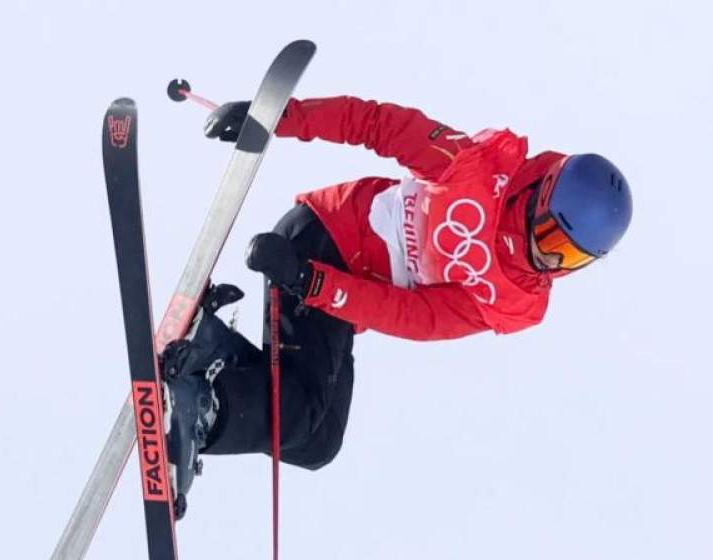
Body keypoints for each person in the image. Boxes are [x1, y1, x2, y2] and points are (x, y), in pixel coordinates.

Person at [161, 95, 633, 510]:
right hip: (324, 238)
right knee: (299, 415)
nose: (548, 258)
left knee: (319, 443)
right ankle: (197, 404)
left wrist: (314, 284)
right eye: (551, 236)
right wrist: (279, 118)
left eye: (570, 259)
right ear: (538, 194)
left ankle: (210, 353)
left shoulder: (511, 300)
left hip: (330, 289)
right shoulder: (473, 167)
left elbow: (414, 317)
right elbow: (375, 123)